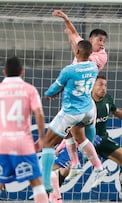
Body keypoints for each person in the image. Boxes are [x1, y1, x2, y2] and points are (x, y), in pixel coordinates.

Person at [48, 75, 122, 202]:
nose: (104, 88)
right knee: (65, 169)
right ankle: (51, 196)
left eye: (105, 85)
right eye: (100, 85)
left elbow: (116, 110)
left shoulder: (107, 99)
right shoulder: (84, 102)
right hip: (84, 141)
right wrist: (87, 136)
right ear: (92, 86)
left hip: (102, 139)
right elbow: (72, 123)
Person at [39, 10, 109, 196]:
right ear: (91, 40)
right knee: (74, 135)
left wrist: (49, 94)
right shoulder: (85, 56)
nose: (101, 44)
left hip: (81, 106)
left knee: (56, 141)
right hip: (82, 105)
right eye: (99, 40)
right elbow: (76, 38)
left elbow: (79, 56)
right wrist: (67, 21)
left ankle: (97, 169)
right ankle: (77, 165)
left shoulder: (99, 58)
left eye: (103, 41)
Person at [0, 56, 49, 203]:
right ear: (22, 72)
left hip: (2, 143)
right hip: (24, 143)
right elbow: (39, 114)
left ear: (4, 72)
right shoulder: (29, 89)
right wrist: (41, 138)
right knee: (37, 183)